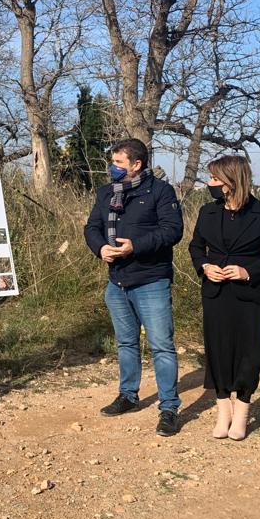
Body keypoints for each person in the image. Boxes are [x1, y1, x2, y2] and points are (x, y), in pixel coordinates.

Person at [84, 138, 185, 436]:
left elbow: (172, 231)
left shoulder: (161, 192)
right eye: (113, 162)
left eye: (118, 163)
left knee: (162, 346)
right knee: (126, 344)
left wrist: (135, 246)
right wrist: (100, 247)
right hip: (117, 281)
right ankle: (128, 395)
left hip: (151, 280)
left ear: (136, 164)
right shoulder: (105, 193)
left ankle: (169, 408)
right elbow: (91, 227)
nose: (112, 168)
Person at [188, 155, 260, 440]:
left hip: (250, 294)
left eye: (215, 179)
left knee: (248, 351)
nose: (209, 183)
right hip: (215, 292)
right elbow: (196, 247)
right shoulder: (207, 211)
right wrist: (205, 266)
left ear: (231, 182)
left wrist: (248, 271)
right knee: (217, 350)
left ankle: (242, 409)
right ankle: (224, 410)